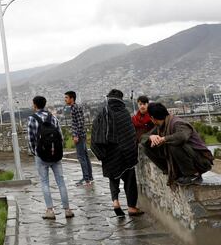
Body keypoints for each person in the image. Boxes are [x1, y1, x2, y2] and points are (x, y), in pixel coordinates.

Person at [90, 89, 143, 217]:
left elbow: (95, 133)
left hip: (109, 153)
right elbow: (131, 134)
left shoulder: (103, 113)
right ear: (120, 99)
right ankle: (131, 207)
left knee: (113, 179)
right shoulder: (124, 113)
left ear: (109, 99)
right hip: (126, 153)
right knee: (129, 179)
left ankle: (115, 202)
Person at [141, 102, 214, 185]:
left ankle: (193, 175)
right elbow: (142, 138)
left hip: (201, 161)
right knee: (146, 147)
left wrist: (164, 139)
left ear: (152, 118)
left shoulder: (177, 123)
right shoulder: (160, 126)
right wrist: (151, 137)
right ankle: (171, 171)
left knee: (174, 143)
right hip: (191, 158)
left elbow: (182, 137)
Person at [28, 95, 73, 220]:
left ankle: (50, 210)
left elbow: (30, 139)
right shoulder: (52, 117)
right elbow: (60, 136)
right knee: (61, 181)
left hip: (41, 156)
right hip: (56, 154)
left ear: (35, 105)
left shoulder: (32, 119)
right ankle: (67, 210)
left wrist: (35, 152)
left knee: (44, 182)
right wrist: (57, 150)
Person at [64, 90, 93, 186]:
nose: (65, 99)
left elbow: (80, 123)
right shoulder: (74, 107)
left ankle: (86, 179)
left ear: (72, 98)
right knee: (85, 156)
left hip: (79, 136)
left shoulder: (75, 107)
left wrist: (76, 135)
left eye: (66, 97)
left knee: (81, 157)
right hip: (82, 135)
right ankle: (89, 177)